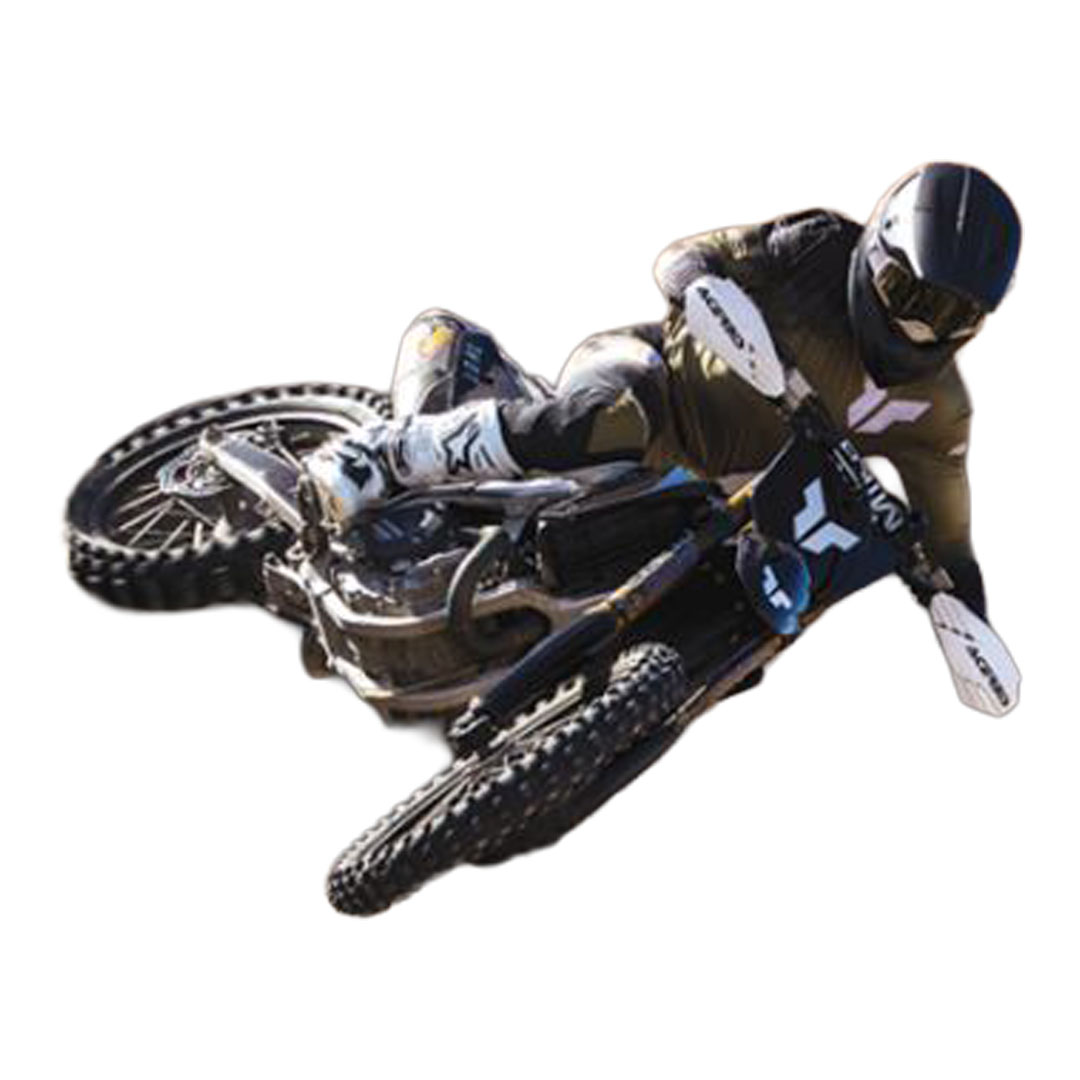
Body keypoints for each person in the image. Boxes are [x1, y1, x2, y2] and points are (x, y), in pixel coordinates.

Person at [307, 163, 1021, 619]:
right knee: (607, 423)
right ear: (876, 252)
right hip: (653, 382)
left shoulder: (940, 411)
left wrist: (966, 615)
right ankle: (388, 453)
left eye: (948, 317)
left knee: (746, 603)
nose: (917, 327)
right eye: (905, 292)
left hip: (722, 495)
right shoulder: (814, 247)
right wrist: (704, 289)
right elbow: (688, 259)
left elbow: (949, 536)